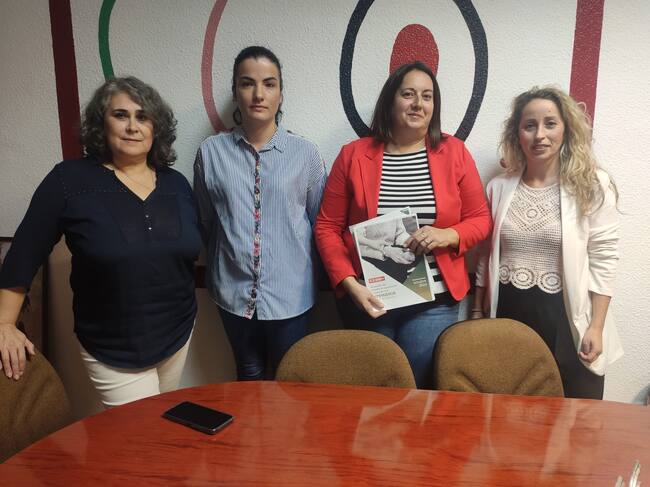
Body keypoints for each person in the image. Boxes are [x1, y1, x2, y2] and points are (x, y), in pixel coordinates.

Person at [0, 77, 201, 407]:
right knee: (140, 434)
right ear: (101, 123)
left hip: (177, 334)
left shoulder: (176, 185)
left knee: (163, 425)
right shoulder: (68, 181)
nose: (132, 126)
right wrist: (5, 323)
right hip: (113, 347)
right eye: (121, 115)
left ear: (157, 127)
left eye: (143, 116)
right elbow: (24, 253)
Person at [314, 61, 492, 388]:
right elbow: (327, 227)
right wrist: (350, 285)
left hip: (433, 302)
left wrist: (448, 235)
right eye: (408, 94)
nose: (418, 104)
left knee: (418, 392)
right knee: (371, 391)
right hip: (369, 297)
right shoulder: (353, 155)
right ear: (391, 100)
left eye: (427, 96)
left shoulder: (454, 153)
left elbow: (481, 220)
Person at [472, 86, 622, 399]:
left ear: (566, 129)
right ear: (517, 134)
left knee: (575, 413)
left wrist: (596, 326)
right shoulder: (498, 187)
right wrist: (476, 312)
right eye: (530, 125)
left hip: (566, 317)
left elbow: (604, 257)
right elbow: (486, 254)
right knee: (512, 412)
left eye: (550, 124)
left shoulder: (591, 185)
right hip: (510, 313)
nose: (540, 135)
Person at [193, 46, 327, 381]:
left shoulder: (305, 154)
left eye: (269, 84)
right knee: (248, 374)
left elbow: (319, 223)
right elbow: (206, 221)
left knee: (289, 380)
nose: (258, 94)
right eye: (247, 83)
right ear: (235, 91)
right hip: (232, 291)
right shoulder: (210, 153)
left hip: (291, 294)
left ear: (281, 93)